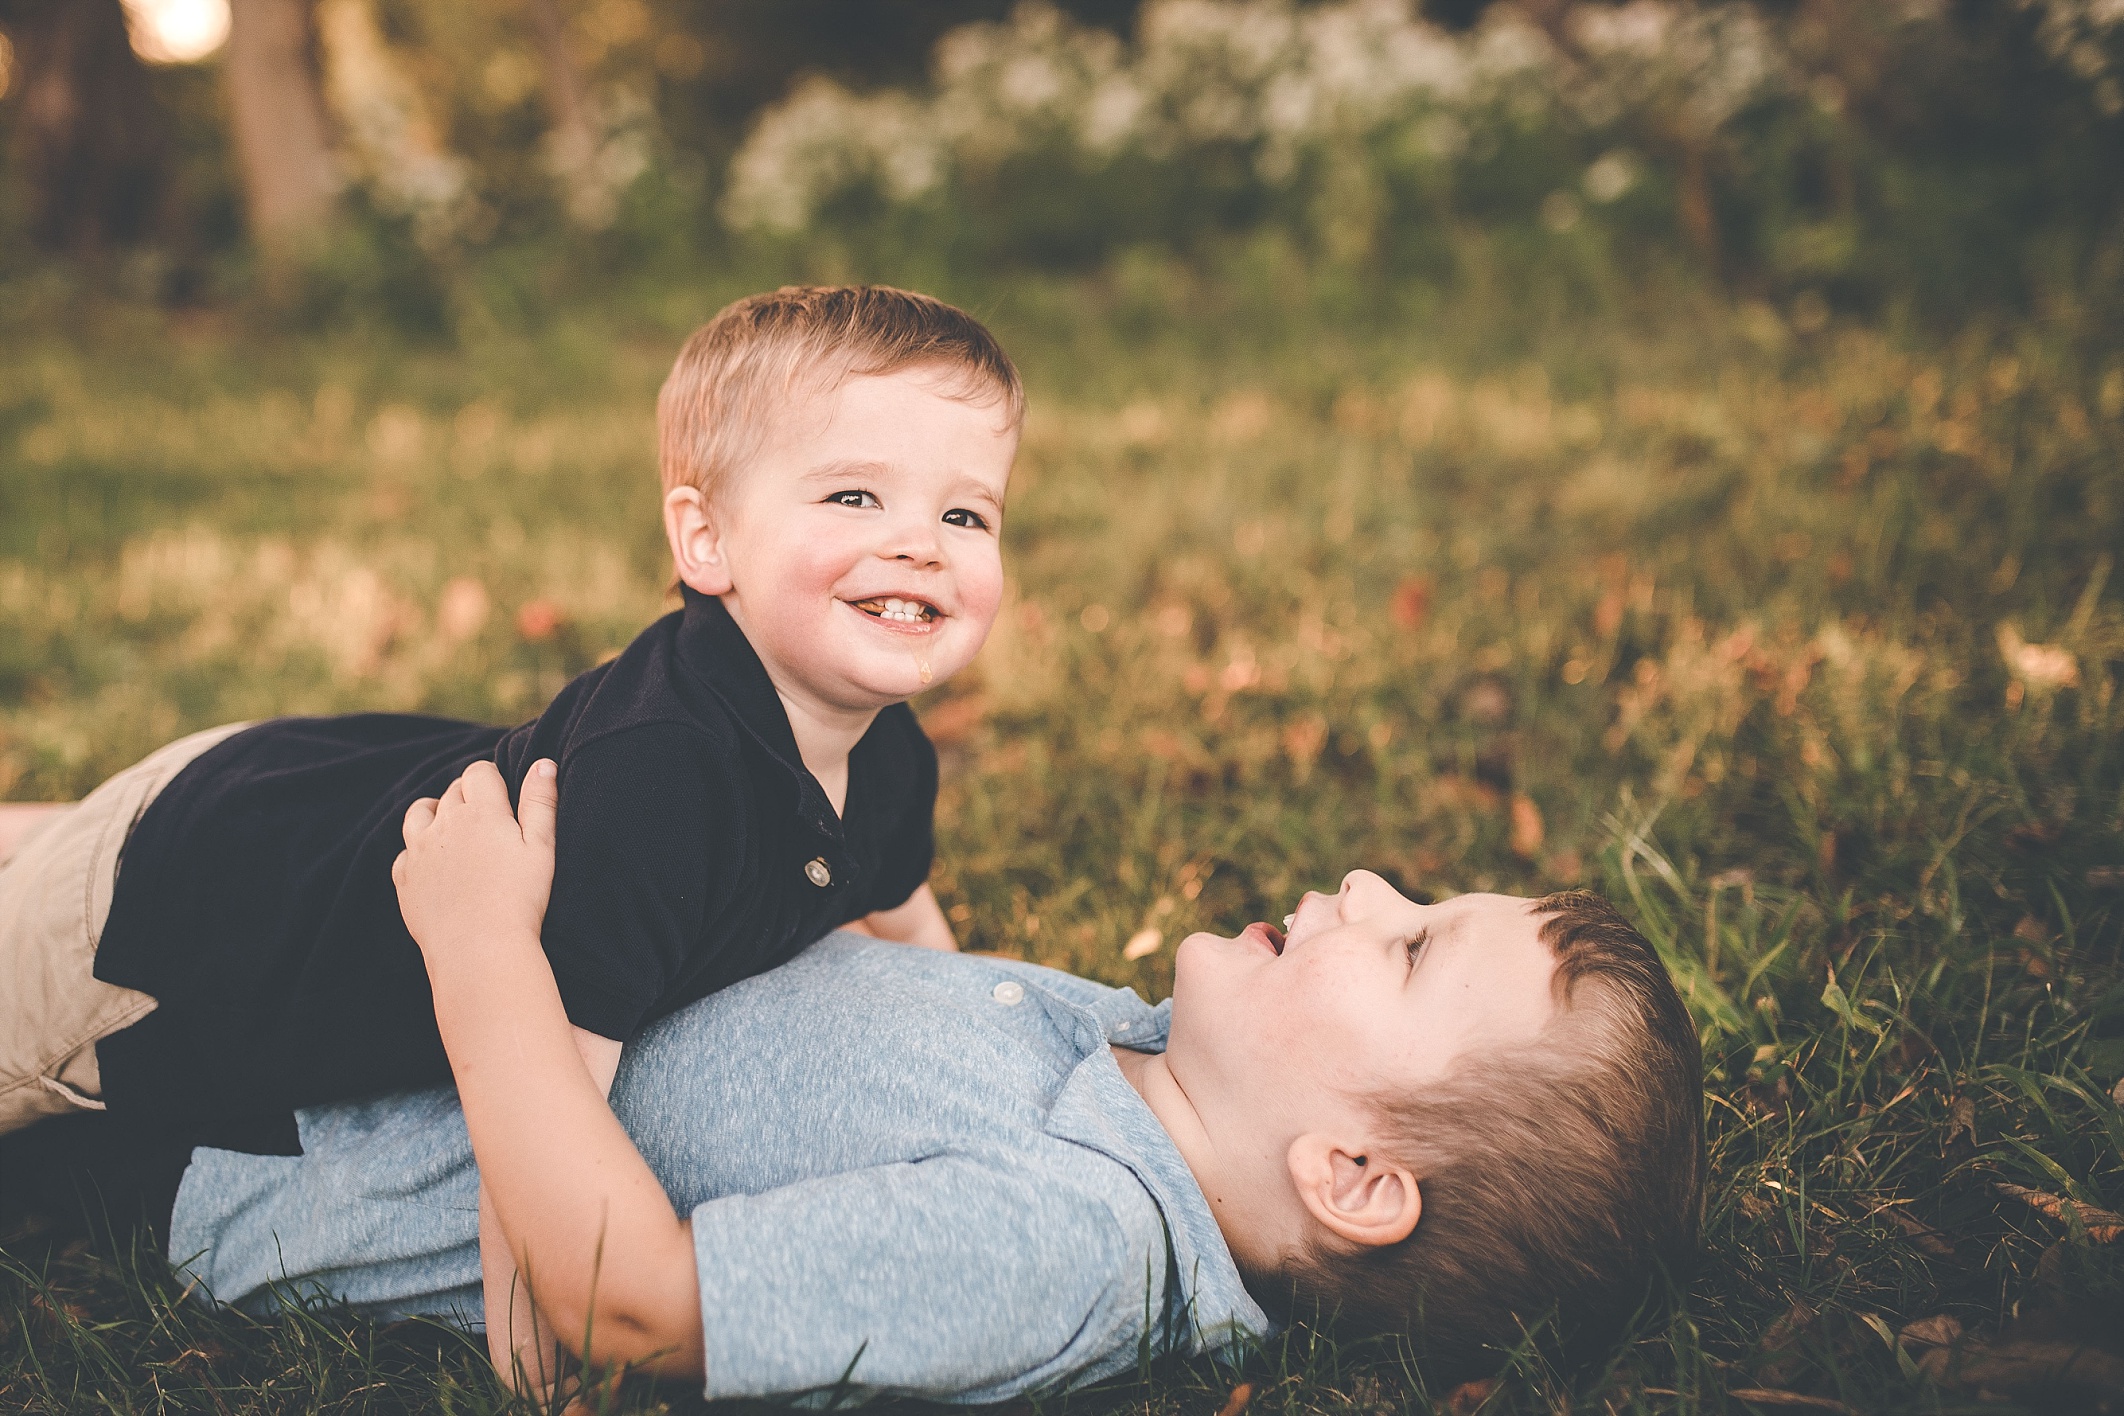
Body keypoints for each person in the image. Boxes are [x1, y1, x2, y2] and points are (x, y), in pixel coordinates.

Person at [0, 285, 1020, 1334]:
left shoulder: (885, 750)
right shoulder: (665, 784)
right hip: (164, 923)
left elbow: (909, 932)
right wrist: (542, 1365)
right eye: (855, 497)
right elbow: (535, 1116)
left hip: (284, 793)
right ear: (705, 540)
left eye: (964, 513)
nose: (920, 544)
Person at [162, 759, 1704, 1402]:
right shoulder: (1143, 1071)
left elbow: (625, 1301)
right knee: (190, 804)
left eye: (1413, 948)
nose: (1369, 882)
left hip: (262, 1134)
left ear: (1351, 1179)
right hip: (340, 1001)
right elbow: (890, 1036)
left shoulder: (1070, 1250)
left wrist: (484, 950)